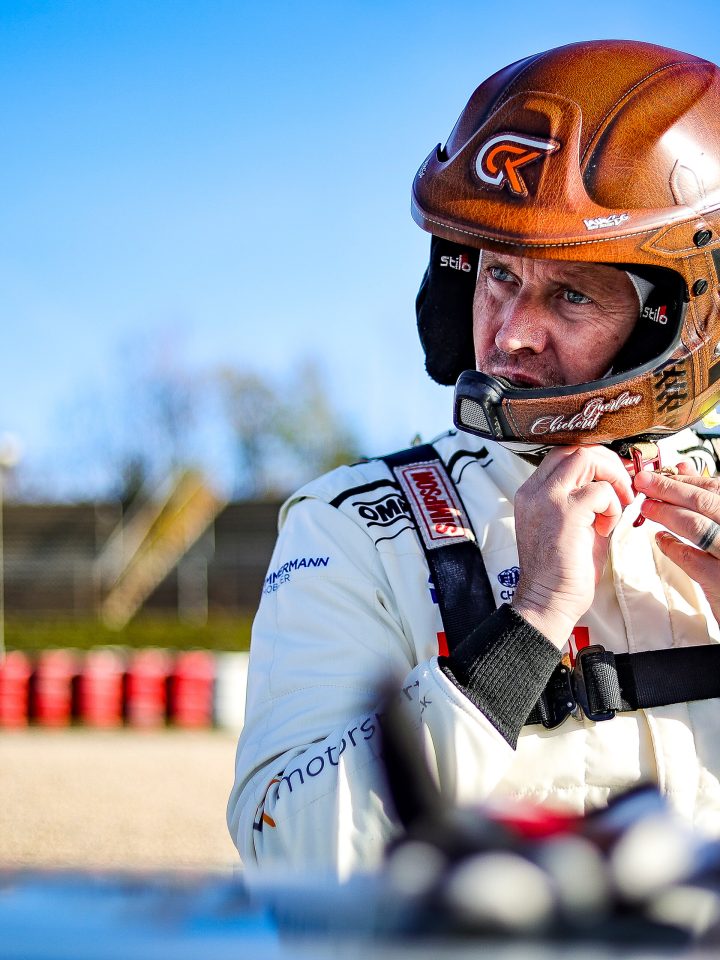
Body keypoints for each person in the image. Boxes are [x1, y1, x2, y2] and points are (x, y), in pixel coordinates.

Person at [228, 39, 720, 877]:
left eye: (571, 293)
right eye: (498, 277)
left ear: (672, 317)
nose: (512, 333)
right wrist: (527, 627)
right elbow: (288, 856)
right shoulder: (352, 528)